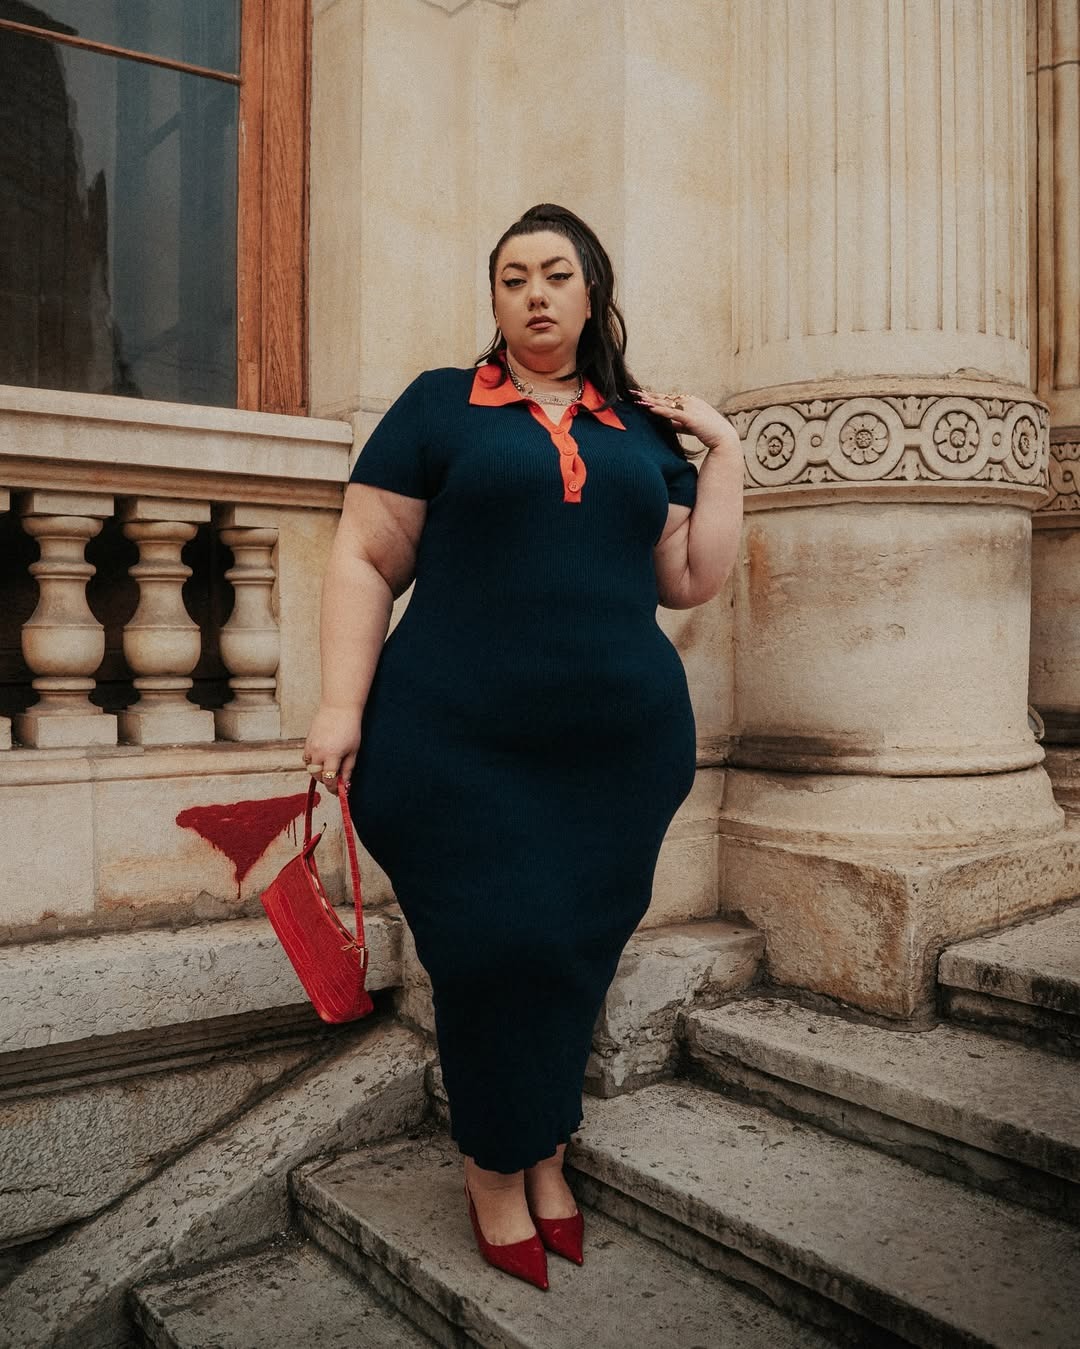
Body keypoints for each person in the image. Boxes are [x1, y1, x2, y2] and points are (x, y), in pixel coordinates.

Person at [303, 203, 744, 1291]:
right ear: (494, 298)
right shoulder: (438, 407)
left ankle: (546, 1151)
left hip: (613, 757)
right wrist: (337, 705)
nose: (535, 293)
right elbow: (365, 557)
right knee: (491, 950)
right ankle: (495, 1170)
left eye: (556, 274)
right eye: (512, 277)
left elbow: (691, 579)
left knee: (569, 953)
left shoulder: (641, 430)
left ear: (592, 292)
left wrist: (724, 446)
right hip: (453, 742)